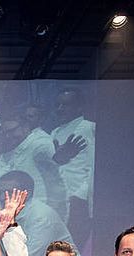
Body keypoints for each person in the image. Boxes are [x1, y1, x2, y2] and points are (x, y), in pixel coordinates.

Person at [50, 88, 96, 246]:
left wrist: (81, 195)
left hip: (80, 201)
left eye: (66, 105)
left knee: (76, 245)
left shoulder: (89, 127)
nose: (60, 109)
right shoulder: (55, 132)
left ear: (79, 107)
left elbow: (93, 166)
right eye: (58, 105)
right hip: (59, 200)